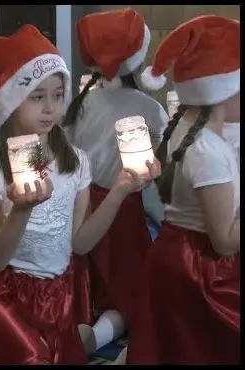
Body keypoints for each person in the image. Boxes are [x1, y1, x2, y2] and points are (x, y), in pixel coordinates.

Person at [0, 24, 159, 365]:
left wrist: (120, 190)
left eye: (57, 94)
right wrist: (21, 210)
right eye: (37, 97)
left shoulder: (76, 162)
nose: (50, 108)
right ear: (9, 102)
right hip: (7, 298)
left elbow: (79, 243)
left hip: (58, 295)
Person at [128, 15, 240, 365]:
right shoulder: (208, 150)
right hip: (200, 268)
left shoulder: (190, 128)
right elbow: (224, 240)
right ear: (224, 91)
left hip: (177, 252)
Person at [63, 8, 169, 357]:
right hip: (122, 211)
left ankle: (86, 326)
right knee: (130, 289)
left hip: (81, 206)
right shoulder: (149, 108)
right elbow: (160, 162)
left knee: (90, 281)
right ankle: (100, 335)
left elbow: (68, 153)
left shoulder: (81, 104)